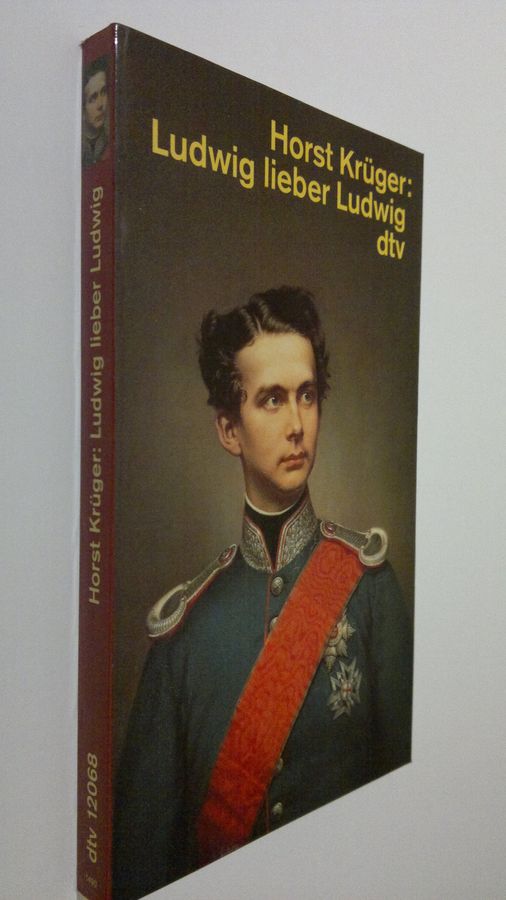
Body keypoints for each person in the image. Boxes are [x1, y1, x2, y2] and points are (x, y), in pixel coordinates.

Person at [113, 287, 413, 900]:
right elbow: (140, 864)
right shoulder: (183, 637)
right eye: (272, 399)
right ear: (229, 429)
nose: (297, 424)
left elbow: (409, 816)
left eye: (307, 395)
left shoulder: (371, 592)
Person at [82, 56, 109, 167]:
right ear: (83, 107)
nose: (100, 105)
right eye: (93, 98)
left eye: (103, 92)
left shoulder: (109, 141)